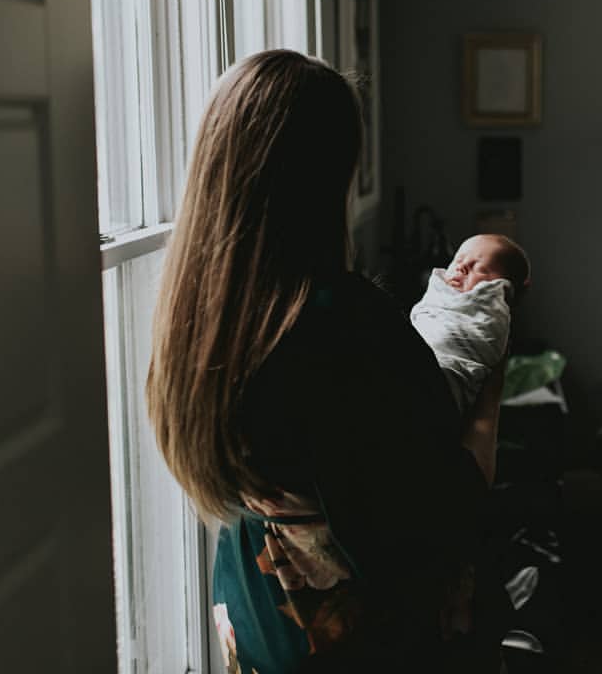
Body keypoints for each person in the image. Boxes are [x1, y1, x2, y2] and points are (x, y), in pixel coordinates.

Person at [146, 50, 507, 673]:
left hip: (259, 625)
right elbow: (451, 508)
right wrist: (492, 374)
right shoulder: (341, 320)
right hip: (355, 644)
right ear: (327, 177)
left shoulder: (197, 319)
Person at [410, 234, 531, 413]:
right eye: (458, 259)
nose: (462, 267)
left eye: (480, 268)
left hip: (445, 382)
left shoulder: (489, 314)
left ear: (501, 288)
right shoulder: (437, 297)